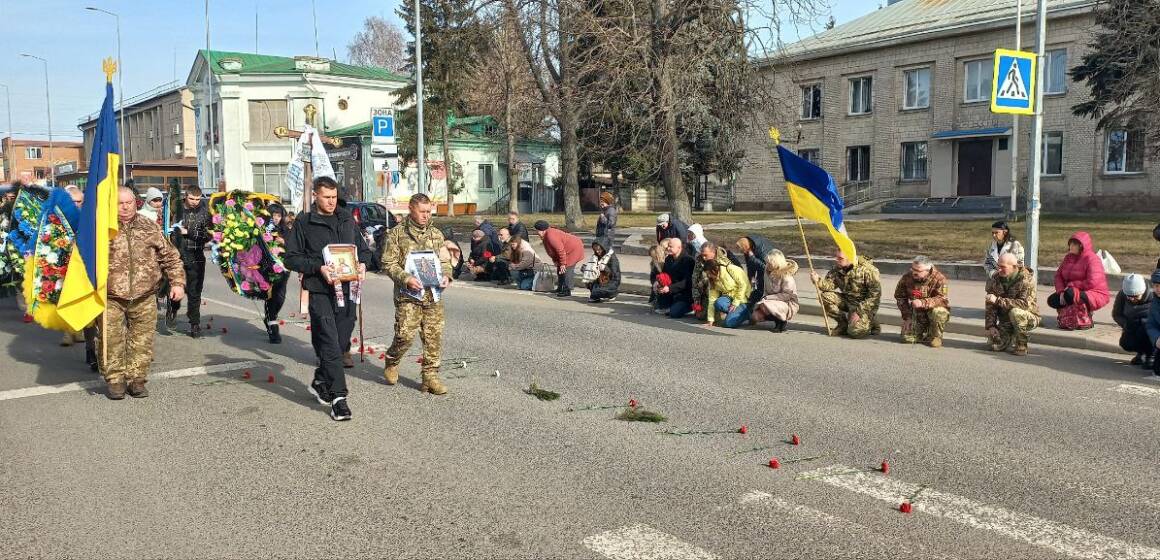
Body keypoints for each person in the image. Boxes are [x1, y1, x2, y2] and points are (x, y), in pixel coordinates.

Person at [283, 177, 371, 420]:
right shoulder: (304, 221)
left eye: (334, 197)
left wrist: (363, 264)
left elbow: (363, 250)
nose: (331, 202)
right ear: (316, 196)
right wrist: (318, 267)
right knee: (330, 342)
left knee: (341, 340)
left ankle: (321, 379)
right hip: (320, 289)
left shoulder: (346, 218)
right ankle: (339, 398)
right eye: (326, 197)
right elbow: (291, 258)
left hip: (348, 289)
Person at [101, 186, 186, 399]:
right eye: (121, 203)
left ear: (136, 202)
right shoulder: (101, 227)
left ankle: (137, 379)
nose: (126, 206)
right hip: (110, 296)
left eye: (129, 202)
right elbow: (83, 258)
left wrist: (177, 283)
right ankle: (115, 380)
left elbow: (170, 256)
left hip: (144, 294)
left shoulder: (149, 227)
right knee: (111, 339)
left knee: (142, 339)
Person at [381, 193, 454, 395]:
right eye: (422, 211)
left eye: (428, 211)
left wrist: (447, 275)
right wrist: (406, 278)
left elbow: (445, 260)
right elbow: (388, 263)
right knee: (404, 335)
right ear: (411, 210)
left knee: (433, 336)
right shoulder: (396, 234)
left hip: (432, 294)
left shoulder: (436, 234)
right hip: (408, 295)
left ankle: (430, 376)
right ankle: (392, 360)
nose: (426, 216)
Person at [165, 185, 211, 337]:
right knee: (176, 287)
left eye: (198, 199)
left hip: (196, 255)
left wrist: (189, 232)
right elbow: (165, 228)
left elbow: (208, 235)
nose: (195, 202)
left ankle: (195, 323)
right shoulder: (175, 210)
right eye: (192, 199)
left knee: (195, 291)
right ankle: (173, 307)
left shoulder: (205, 213)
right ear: (186, 196)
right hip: (176, 255)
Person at [811, 249, 881, 338]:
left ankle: (871, 321)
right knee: (825, 297)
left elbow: (875, 296)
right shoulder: (837, 268)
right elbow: (828, 286)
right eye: (836, 257)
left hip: (863, 305)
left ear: (850, 258)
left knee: (854, 332)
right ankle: (842, 324)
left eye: (840, 258)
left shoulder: (868, 270)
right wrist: (817, 280)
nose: (836, 260)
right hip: (847, 300)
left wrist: (859, 312)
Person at [1049, 231, 1110, 330]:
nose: (1071, 246)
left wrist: (1072, 286)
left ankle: (1085, 316)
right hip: (1070, 290)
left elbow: (1092, 281)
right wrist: (1060, 291)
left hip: (1094, 292)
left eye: (1074, 244)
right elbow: (1058, 276)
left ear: (1082, 246)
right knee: (1053, 300)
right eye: (1070, 244)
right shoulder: (1068, 258)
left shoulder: (1092, 259)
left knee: (1070, 294)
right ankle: (1068, 316)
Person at [985, 253, 1039, 356]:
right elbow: (990, 304)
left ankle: (1021, 343)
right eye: (998, 266)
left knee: (1016, 312)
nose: (999, 269)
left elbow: (1024, 304)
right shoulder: (996, 279)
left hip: (1027, 317)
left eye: (1003, 267)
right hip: (1006, 319)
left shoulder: (1026, 280)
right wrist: (991, 326)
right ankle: (1009, 337)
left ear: (1014, 267)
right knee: (992, 344)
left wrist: (998, 300)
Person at [894, 256, 951, 347]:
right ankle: (920, 333)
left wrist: (923, 302)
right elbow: (900, 297)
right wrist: (907, 317)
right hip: (916, 314)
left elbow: (942, 299)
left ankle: (935, 336)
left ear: (927, 271)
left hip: (932, 313)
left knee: (939, 312)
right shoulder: (907, 277)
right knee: (907, 339)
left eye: (918, 271)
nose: (914, 272)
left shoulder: (939, 278)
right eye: (913, 269)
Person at [701, 242, 752, 328]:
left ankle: (746, 312)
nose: (708, 276)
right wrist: (710, 320)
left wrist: (736, 303)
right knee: (718, 303)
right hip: (729, 298)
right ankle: (735, 314)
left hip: (742, 299)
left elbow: (743, 285)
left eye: (709, 274)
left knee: (728, 324)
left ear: (714, 270)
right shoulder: (713, 279)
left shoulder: (730, 268)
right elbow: (712, 299)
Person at [751, 249, 798, 332]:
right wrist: (764, 298)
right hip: (770, 300)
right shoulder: (767, 271)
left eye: (769, 263)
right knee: (756, 315)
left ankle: (782, 322)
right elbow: (766, 289)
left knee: (765, 306)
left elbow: (787, 295)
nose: (767, 264)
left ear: (777, 263)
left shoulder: (787, 276)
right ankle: (776, 319)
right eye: (767, 262)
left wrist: (768, 298)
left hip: (787, 302)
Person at [535, 220, 585, 297]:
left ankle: (567, 290)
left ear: (542, 230)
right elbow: (552, 251)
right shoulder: (546, 235)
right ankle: (560, 287)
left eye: (537, 230)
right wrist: (556, 261)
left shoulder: (551, 236)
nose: (537, 232)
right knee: (560, 269)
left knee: (566, 269)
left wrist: (563, 264)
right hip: (567, 249)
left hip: (573, 249)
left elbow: (560, 250)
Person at [1113, 273, 1153, 368]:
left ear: (1143, 292)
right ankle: (1141, 353)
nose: (1132, 299)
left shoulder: (1154, 295)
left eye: (1135, 296)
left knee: (1145, 331)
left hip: (1150, 328)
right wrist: (1126, 324)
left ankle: (1151, 356)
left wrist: (1144, 322)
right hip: (1132, 326)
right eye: (1129, 296)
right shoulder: (1122, 295)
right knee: (1126, 343)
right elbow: (1117, 314)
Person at [264, 202, 290, 344]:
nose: (276, 218)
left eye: (279, 216)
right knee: (270, 296)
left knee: (280, 297)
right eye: (274, 215)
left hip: (283, 268)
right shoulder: (263, 229)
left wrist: (283, 242)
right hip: (266, 268)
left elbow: (293, 247)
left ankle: (271, 317)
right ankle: (272, 326)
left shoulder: (285, 230)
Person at [656, 238, 696, 318]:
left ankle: (690, 307)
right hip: (670, 292)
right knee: (661, 308)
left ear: (679, 248)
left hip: (684, 294)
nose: (668, 248)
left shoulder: (688, 260)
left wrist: (670, 288)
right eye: (668, 246)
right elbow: (664, 275)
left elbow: (687, 282)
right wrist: (659, 284)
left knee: (674, 313)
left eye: (671, 247)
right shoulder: (668, 259)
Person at [736, 234, 776, 313]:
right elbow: (750, 265)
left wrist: (753, 258)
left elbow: (766, 267)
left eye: (741, 250)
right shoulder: (748, 248)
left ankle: (763, 312)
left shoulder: (761, 249)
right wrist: (750, 278)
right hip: (761, 272)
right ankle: (751, 312)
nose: (741, 252)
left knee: (761, 291)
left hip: (770, 273)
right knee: (756, 291)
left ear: (745, 247)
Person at [585, 238, 620, 302]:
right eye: (595, 250)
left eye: (599, 249)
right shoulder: (595, 257)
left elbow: (615, 275)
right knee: (589, 276)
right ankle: (597, 294)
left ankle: (611, 294)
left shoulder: (612, 258)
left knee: (596, 292)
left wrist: (605, 268)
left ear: (604, 248)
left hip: (611, 281)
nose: (597, 251)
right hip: (600, 279)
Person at [1144, 271, 1160, 377]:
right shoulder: (1155, 302)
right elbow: (1151, 325)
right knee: (1157, 370)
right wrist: (1157, 339)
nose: (1158, 289)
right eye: (1156, 286)